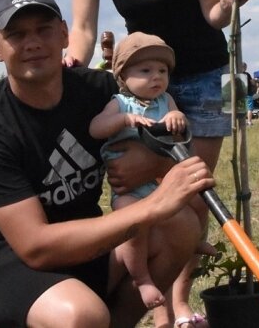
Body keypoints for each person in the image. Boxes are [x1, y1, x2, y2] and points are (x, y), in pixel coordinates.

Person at [66, 0, 252, 327]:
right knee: (140, 185)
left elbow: (214, 13)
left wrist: (233, 1)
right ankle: (150, 292)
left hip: (204, 77)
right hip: (142, 86)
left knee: (189, 194)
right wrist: (72, 66)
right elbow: (82, 27)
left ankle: (179, 304)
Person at [0, 0, 213, 328]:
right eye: (16, 34)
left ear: (63, 34)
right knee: (80, 315)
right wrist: (153, 205)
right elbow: (36, 246)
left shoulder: (100, 92)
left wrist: (155, 163)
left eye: (44, 30)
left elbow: (168, 148)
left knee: (180, 226)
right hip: (3, 260)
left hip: (85, 241)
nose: (32, 43)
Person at [89, 32, 187, 311]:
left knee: (189, 209)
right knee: (133, 229)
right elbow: (95, 128)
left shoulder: (165, 101)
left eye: (162, 70)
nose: (156, 76)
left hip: (161, 182)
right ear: (123, 76)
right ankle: (141, 278)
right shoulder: (120, 103)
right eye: (145, 70)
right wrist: (121, 120)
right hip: (129, 190)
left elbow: (180, 126)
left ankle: (191, 244)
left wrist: (176, 117)